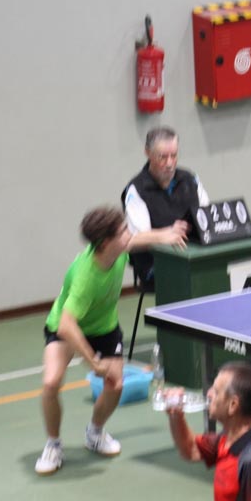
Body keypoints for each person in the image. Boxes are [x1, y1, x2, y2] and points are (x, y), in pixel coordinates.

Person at [34, 206, 187, 475]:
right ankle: (53, 444)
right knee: (50, 383)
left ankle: (94, 433)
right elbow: (67, 326)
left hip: (104, 327)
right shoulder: (85, 276)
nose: (129, 233)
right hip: (66, 327)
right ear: (106, 242)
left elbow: (137, 239)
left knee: (115, 384)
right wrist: (93, 362)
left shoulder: (117, 249)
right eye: (123, 231)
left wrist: (166, 234)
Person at [165, 361, 251, 501]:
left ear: (233, 405)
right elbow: (190, 450)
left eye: (216, 392)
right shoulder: (228, 438)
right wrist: (176, 415)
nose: (208, 393)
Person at [122, 126, 210, 288]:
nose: (169, 163)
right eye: (162, 157)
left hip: (195, 254)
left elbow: (208, 217)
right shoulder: (137, 189)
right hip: (155, 264)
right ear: (148, 153)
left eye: (174, 156)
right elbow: (132, 240)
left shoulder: (190, 179)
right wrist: (167, 234)